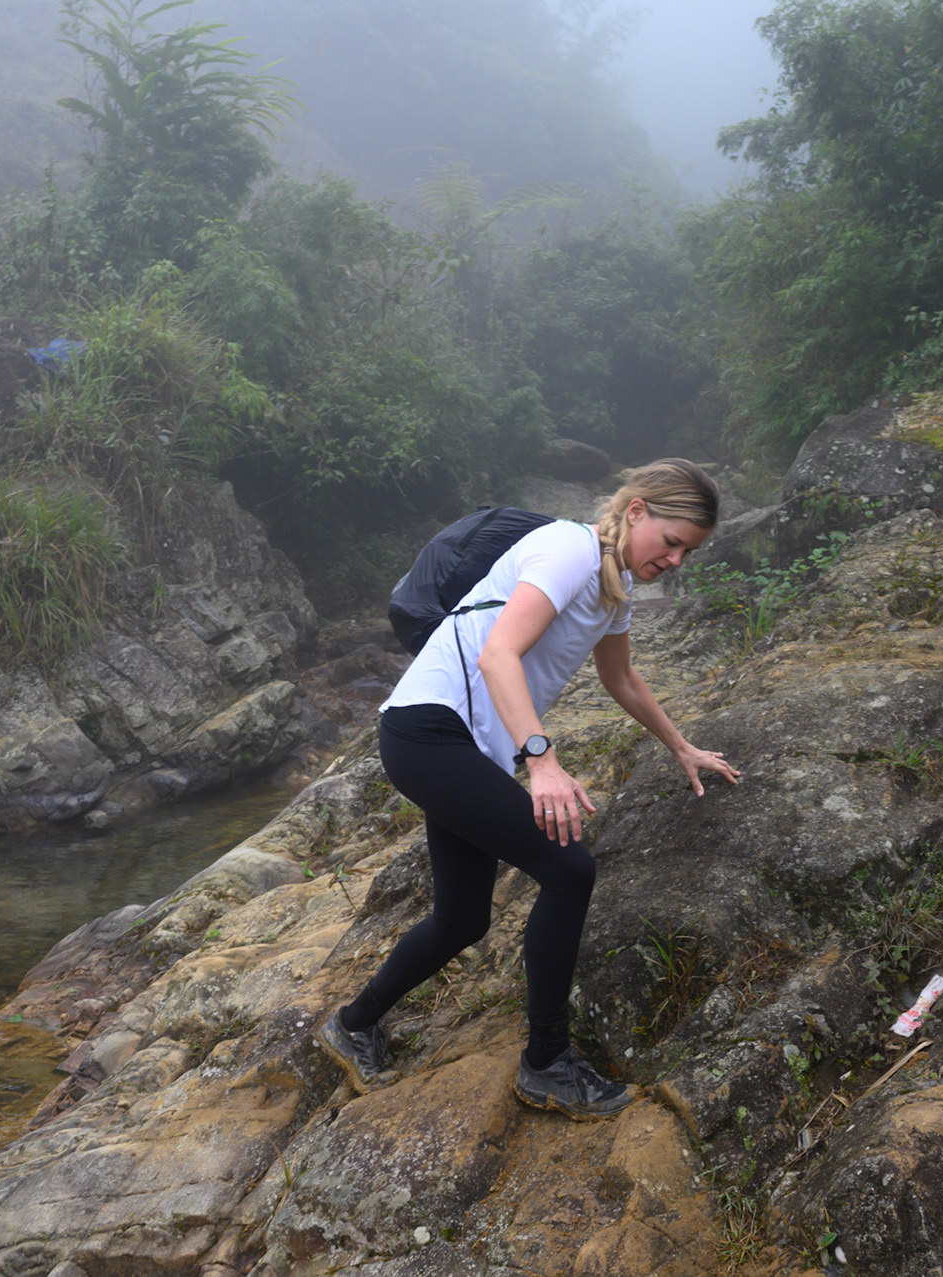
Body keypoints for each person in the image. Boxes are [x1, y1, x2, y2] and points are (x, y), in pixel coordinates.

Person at [315, 458, 741, 1118]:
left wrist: (680, 746)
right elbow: (497, 652)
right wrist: (541, 759)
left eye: (690, 550)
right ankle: (546, 1060)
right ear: (637, 512)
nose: (679, 559)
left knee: (464, 918)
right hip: (428, 730)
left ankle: (353, 1022)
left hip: (460, 747)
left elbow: (621, 679)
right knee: (569, 868)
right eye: (674, 540)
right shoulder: (569, 547)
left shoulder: (613, 582)